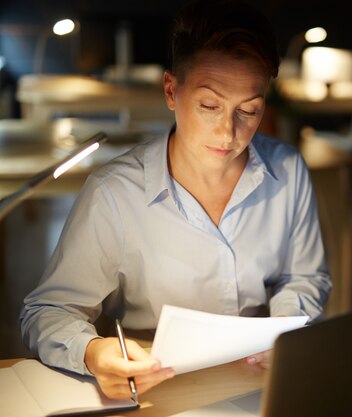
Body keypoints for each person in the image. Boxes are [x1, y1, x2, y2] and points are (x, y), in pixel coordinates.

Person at [19, 0, 331, 400]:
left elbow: (306, 278)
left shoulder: (288, 171)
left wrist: (283, 331)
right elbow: (46, 312)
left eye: (248, 111)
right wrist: (93, 351)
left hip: (260, 384)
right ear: (171, 90)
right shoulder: (114, 194)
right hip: (153, 388)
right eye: (209, 105)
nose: (227, 132)